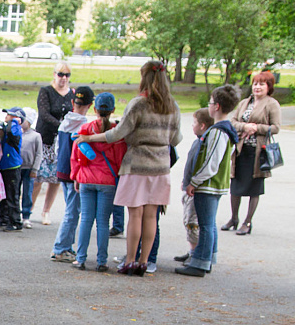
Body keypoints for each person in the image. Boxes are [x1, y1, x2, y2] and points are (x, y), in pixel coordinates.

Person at [78, 60, 182, 276]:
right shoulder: (173, 105)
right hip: (161, 167)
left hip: (137, 164)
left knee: (135, 215)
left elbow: (117, 134)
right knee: (151, 216)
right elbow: (176, 138)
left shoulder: (138, 104)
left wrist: (89, 137)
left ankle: (131, 260)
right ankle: (144, 262)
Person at [176, 85, 240, 277]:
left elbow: (211, 162)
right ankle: (208, 257)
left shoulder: (217, 132)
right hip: (213, 185)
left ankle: (200, 261)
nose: (209, 105)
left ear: (217, 106)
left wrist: (194, 181)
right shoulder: (224, 130)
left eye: (210, 102)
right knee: (209, 223)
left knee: (204, 224)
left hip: (208, 186)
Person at [70, 92, 126, 272]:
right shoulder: (117, 133)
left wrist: (76, 176)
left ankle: (81, 258)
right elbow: (119, 159)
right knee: (103, 222)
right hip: (107, 180)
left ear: (94, 109)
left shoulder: (86, 130)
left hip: (87, 177)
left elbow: (76, 156)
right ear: (113, 110)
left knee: (86, 219)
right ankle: (102, 260)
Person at [224, 70, 282, 235]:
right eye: (255, 83)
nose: (257, 87)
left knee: (254, 188)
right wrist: (245, 126)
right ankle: (233, 218)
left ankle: (247, 222)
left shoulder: (272, 104)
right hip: (241, 149)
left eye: (261, 84)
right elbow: (233, 121)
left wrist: (257, 128)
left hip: (258, 152)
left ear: (268, 87)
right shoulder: (244, 103)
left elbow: (276, 127)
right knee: (235, 186)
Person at [49, 86, 93, 262]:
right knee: (72, 211)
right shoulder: (83, 125)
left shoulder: (65, 122)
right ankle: (60, 247)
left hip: (62, 169)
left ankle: (66, 245)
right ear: (90, 105)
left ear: (73, 102)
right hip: (75, 172)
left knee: (71, 209)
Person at [33, 62, 74, 224]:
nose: (63, 78)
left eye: (66, 75)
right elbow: (44, 114)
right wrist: (62, 126)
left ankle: (46, 211)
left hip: (62, 141)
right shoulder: (46, 91)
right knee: (38, 176)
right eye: (60, 74)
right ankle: (28, 209)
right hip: (46, 139)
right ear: (54, 74)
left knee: (56, 178)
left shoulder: (71, 93)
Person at [174, 108, 214, 264]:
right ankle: (192, 250)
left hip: (194, 189)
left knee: (192, 222)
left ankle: (196, 252)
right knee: (188, 219)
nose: (192, 126)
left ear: (202, 125)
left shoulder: (204, 143)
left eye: (194, 123)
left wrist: (192, 183)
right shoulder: (198, 141)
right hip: (188, 186)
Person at [0, 108, 24, 232]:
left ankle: (15, 221)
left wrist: (14, 122)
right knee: (4, 194)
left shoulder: (15, 127)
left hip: (12, 166)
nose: (6, 117)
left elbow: (12, 132)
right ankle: (3, 217)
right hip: (4, 165)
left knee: (12, 195)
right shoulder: (7, 127)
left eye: (9, 115)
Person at [19, 116, 42, 227]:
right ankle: (15, 214)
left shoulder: (36, 136)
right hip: (18, 167)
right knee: (15, 191)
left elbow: (38, 153)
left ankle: (26, 215)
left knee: (28, 192)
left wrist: (35, 168)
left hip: (29, 168)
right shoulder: (17, 133)